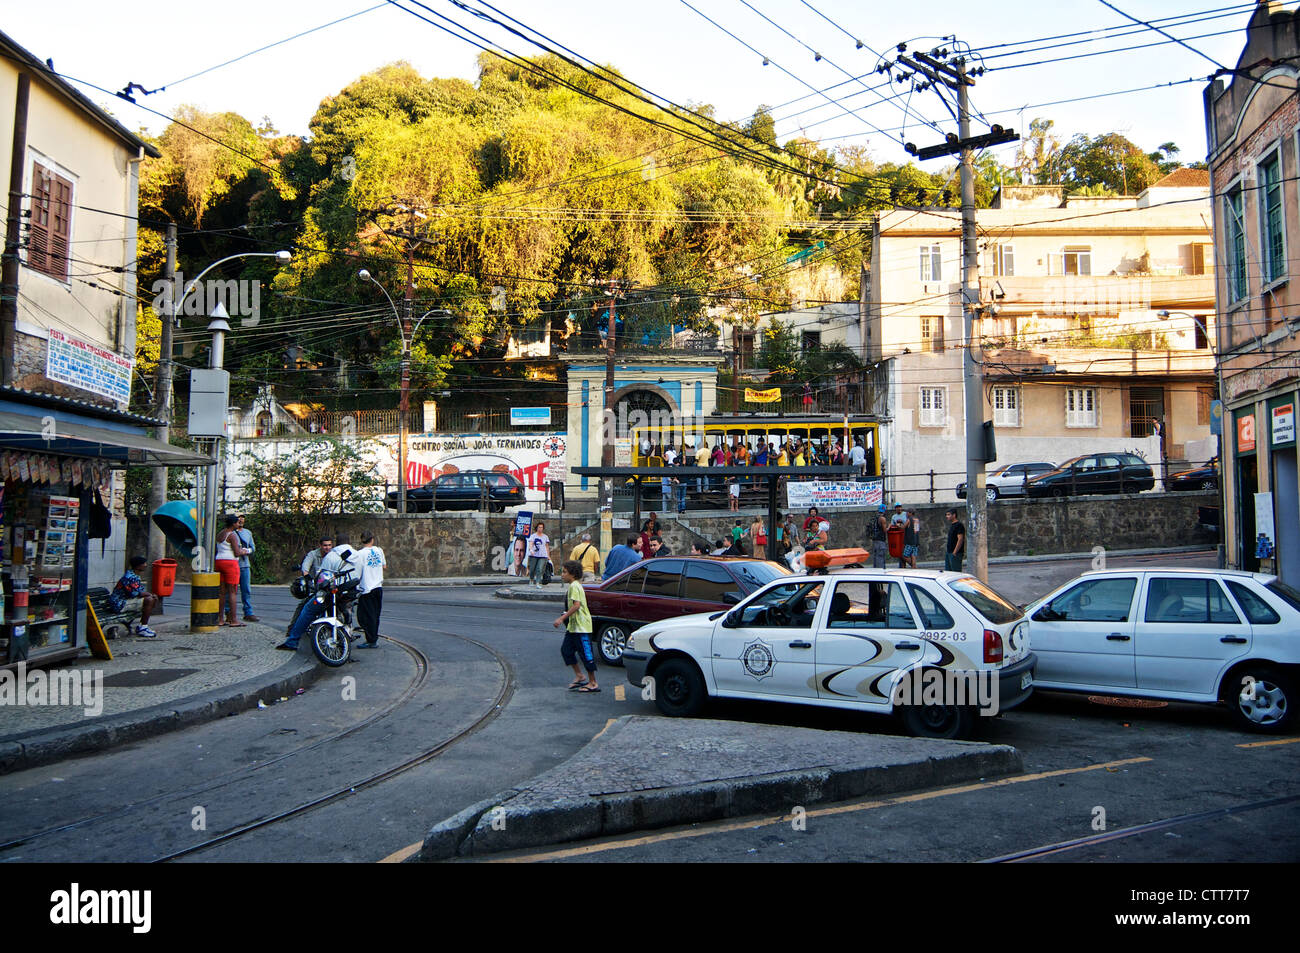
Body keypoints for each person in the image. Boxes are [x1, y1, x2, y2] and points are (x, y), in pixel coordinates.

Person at [278, 533, 359, 651]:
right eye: (325, 545)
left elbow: (322, 577)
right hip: (349, 592)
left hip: (331, 592)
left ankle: (292, 641)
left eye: (329, 545)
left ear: (335, 543)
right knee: (348, 609)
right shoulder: (358, 555)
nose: (327, 547)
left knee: (308, 610)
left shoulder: (331, 556)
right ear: (349, 542)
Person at [554, 560, 599, 693]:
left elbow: (576, 605)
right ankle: (579, 675)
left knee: (586, 654)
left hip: (582, 627)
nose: (562, 575)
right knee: (566, 650)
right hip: (573, 627)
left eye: (564, 572)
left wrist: (561, 618)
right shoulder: (574, 585)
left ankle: (593, 682)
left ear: (572, 574)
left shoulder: (574, 586)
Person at [109, 555, 159, 638]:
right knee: (149, 600)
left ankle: (142, 626)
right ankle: (143, 628)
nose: (146, 565)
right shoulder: (129, 577)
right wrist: (151, 595)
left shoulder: (135, 576)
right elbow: (135, 593)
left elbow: (140, 591)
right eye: (144, 563)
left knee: (151, 600)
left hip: (125, 601)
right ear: (138, 566)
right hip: (119, 604)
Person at [354, 531, 386, 648]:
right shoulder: (379, 550)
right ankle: (373, 637)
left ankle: (371, 639)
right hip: (378, 586)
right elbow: (384, 566)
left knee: (364, 616)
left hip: (366, 587)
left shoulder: (360, 554)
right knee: (375, 614)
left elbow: (357, 572)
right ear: (372, 539)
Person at [214, 515, 248, 627]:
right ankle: (234, 620)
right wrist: (245, 551)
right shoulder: (232, 535)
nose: (239, 524)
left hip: (218, 562)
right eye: (237, 522)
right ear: (233, 524)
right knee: (232, 591)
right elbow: (237, 552)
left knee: (221, 592)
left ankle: (220, 619)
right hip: (230, 563)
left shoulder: (220, 534)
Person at [234, 515, 259, 622]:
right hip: (234, 564)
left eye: (242, 520)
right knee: (231, 590)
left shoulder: (248, 533)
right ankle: (228, 611)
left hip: (245, 564)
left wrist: (247, 551)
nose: (241, 521)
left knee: (246, 590)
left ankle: (248, 612)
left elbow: (253, 548)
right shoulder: (231, 533)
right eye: (239, 519)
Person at [527, 520, 551, 588]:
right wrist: (531, 550)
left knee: (540, 569)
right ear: (536, 528)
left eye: (541, 527)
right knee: (532, 569)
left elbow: (547, 546)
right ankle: (531, 579)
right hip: (534, 555)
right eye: (539, 527)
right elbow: (531, 543)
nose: (540, 529)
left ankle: (538, 582)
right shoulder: (533, 536)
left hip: (543, 555)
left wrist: (548, 555)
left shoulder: (545, 537)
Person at [870, 504, 889, 569]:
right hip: (881, 540)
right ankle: (880, 572)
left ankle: (875, 572)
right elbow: (885, 530)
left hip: (875, 540)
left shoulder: (875, 517)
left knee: (876, 558)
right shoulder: (882, 519)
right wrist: (889, 526)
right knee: (880, 557)